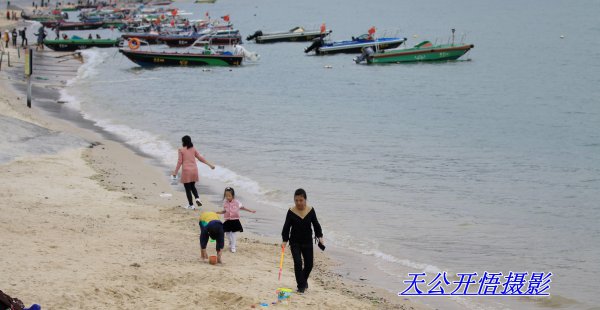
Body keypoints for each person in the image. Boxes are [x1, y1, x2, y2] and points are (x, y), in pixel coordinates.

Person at [281, 188, 324, 293]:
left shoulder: (310, 210)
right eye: (296, 200)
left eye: (301, 200)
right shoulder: (291, 211)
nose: (298, 203)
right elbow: (286, 227)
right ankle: (301, 286)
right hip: (295, 242)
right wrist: (284, 240)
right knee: (298, 262)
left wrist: (320, 237)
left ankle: (303, 281)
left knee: (309, 265)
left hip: (308, 241)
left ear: (305, 200)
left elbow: (316, 224)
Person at [172, 135, 215, 209]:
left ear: (183, 142)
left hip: (186, 171)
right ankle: (197, 198)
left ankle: (191, 205)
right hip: (194, 170)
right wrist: (209, 164)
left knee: (187, 189)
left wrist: (175, 172)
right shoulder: (193, 149)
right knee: (193, 186)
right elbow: (200, 158)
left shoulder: (181, 150)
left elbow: (179, 162)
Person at [215, 187, 255, 253]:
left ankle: (233, 246)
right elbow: (224, 211)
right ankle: (230, 242)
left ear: (233, 195)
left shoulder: (237, 202)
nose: (227, 197)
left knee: (233, 234)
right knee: (227, 234)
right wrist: (218, 212)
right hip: (228, 221)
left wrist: (250, 211)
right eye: (226, 196)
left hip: (235, 220)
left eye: (229, 196)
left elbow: (243, 208)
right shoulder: (225, 203)